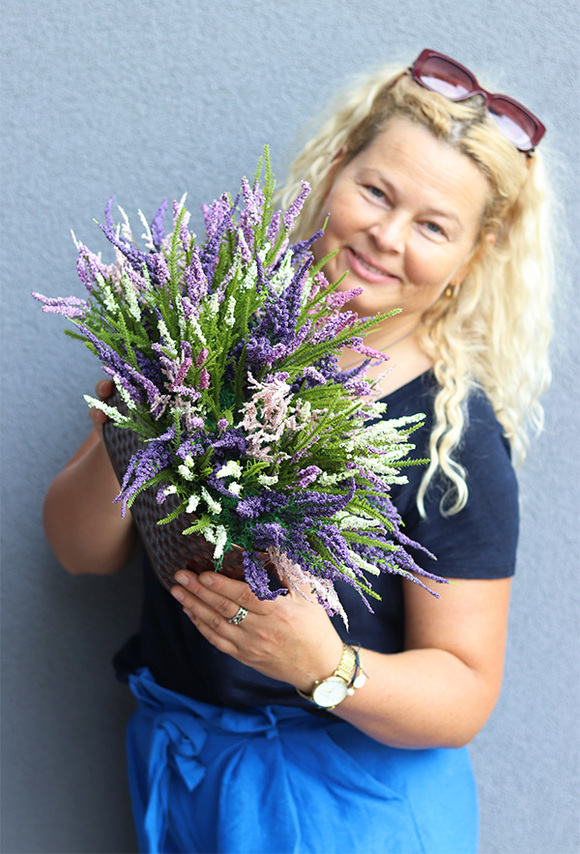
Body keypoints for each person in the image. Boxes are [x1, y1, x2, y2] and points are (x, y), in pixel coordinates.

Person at [43, 49, 553, 853]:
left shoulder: (455, 442)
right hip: (185, 777)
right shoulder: (203, 332)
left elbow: (464, 690)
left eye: (432, 226)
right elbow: (80, 552)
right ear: (336, 168)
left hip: (347, 807)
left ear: (470, 260)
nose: (385, 237)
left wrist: (325, 663)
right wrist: (136, 417)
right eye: (376, 191)